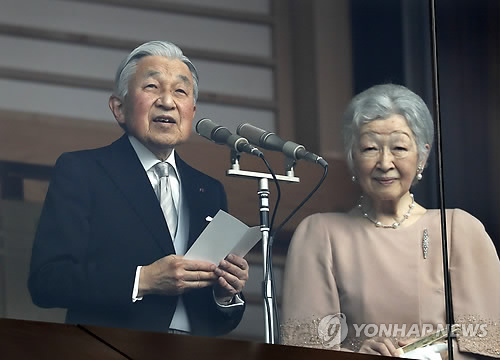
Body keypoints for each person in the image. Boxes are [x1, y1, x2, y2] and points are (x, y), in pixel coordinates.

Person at [28, 41, 249, 336]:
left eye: (180, 91)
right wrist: (143, 279)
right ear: (119, 107)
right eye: (152, 87)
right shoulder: (82, 171)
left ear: (191, 112)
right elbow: (47, 281)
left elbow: (217, 319)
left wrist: (225, 295)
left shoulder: (208, 190)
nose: (167, 102)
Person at [280, 84, 500, 359]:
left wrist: (425, 355)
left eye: (398, 147)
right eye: (370, 148)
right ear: (352, 156)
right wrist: (358, 353)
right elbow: (303, 351)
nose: (385, 162)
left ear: (422, 155)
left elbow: (489, 346)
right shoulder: (319, 233)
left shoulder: (458, 230)